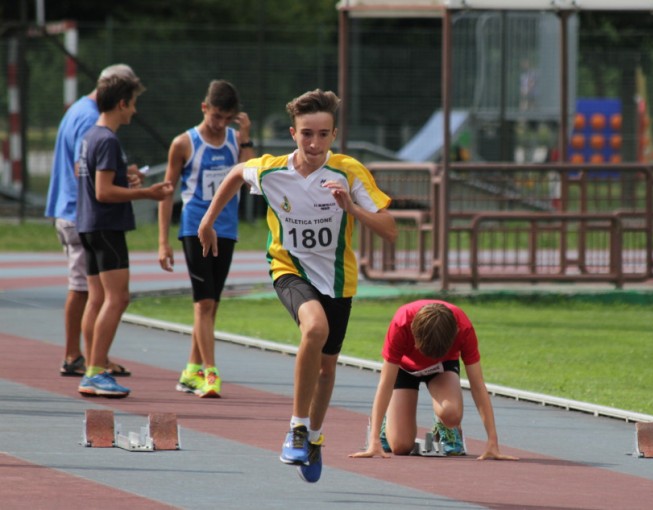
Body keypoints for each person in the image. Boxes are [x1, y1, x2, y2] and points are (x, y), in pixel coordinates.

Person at [197, 89, 397, 483]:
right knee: (315, 328)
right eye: (307, 133)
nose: (315, 143)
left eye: (323, 134)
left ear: (333, 134)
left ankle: (315, 438)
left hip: (338, 279)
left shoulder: (348, 172)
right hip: (289, 269)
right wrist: (208, 220)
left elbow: (390, 230)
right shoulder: (272, 171)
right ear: (293, 133)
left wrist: (351, 209)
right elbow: (237, 173)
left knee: (327, 368)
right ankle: (297, 428)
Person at [76, 72, 174, 398]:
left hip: (89, 225)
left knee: (98, 299)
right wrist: (148, 194)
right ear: (121, 103)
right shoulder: (107, 140)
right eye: (133, 104)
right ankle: (94, 371)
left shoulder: (90, 136)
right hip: (106, 226)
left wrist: (126, 177)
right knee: (118, 298)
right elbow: (103, 192)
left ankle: (94, 366)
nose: (134, 111)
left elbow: (95, 182)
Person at [158, 80, 255, 398]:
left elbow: (251, 175)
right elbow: (166, 192)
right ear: (204, 108)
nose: (221, 124)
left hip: (225, 228)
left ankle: (190, 371)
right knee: (204, 302)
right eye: (216, 116)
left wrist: (247, 137)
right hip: (194, 227)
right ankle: (210, 373)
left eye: (227, 118)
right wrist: (163, 241)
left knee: (211, 304)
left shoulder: (234, 139)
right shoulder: (184, 143)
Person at [44, 63, 139, 378]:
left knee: (92, 292)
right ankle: (82, 358)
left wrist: (121, 173)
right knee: (88, 291)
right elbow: (84, 170)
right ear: (120, 96)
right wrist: (143, 190)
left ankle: (92, 358)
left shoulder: (80, 110)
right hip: (83, 212)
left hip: (75, 210)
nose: (134, 109)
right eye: (132, 98)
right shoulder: (93, 120)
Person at [350, 300, 518, 462]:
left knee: (451, 414)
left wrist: (492, 441)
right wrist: (373, 440)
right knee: (400, 447)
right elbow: (385, 383)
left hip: (442, 367)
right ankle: (384, 426)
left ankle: (445, 426)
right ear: (413, 335)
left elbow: (478, 385)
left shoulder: (464, 328)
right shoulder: (401, 323)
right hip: (405, 368)